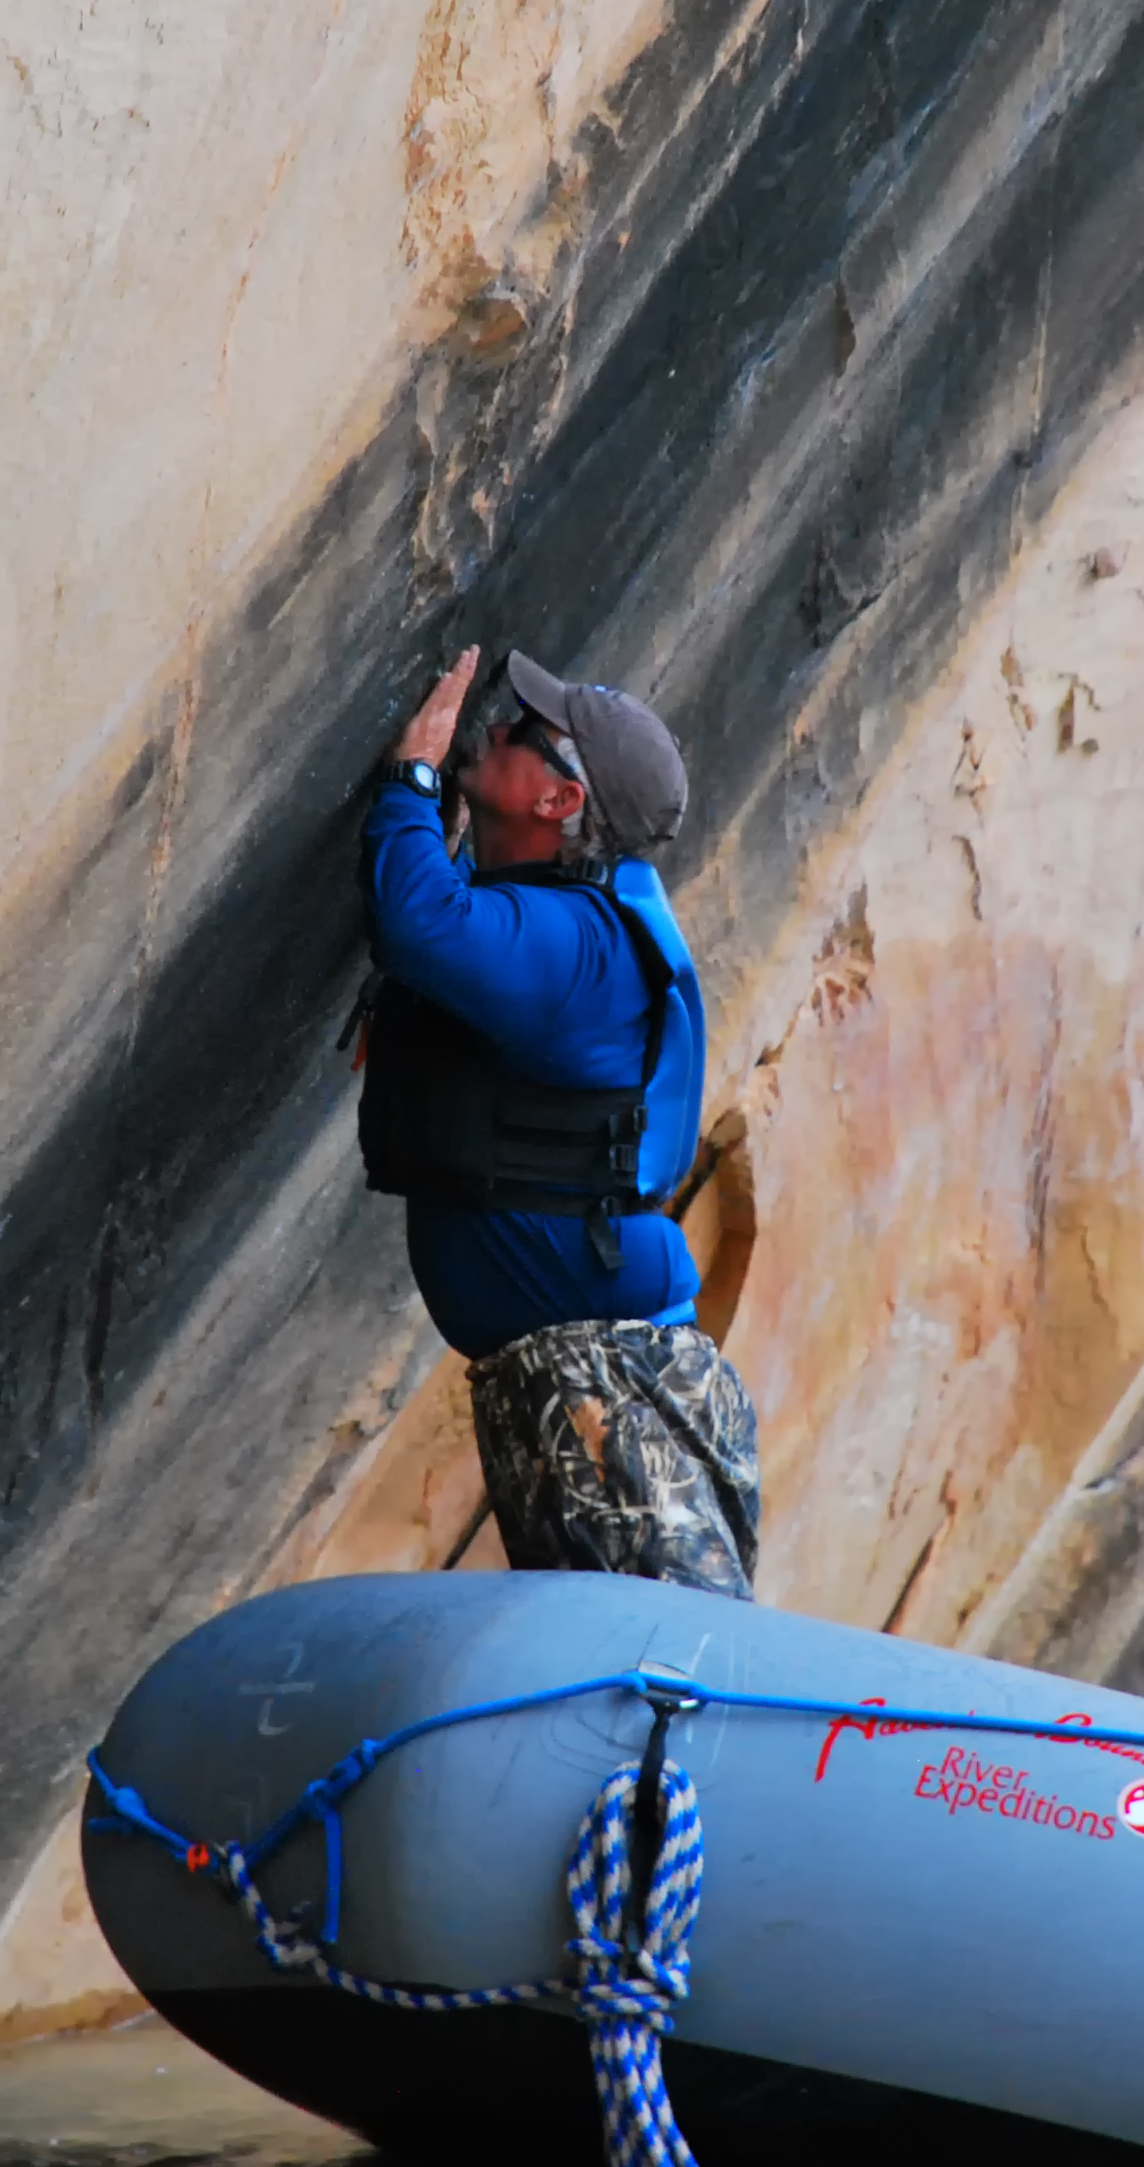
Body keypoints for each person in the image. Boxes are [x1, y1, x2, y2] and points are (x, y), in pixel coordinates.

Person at [355, 644, 761, 1595]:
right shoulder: (553, 917)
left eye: (524, 733)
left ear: (560, 801)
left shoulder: (578, 947)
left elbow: (418, 921)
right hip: (578, 1378)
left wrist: (414, 775)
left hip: (609, 1390)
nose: (492, 725)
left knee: (663, 1666)